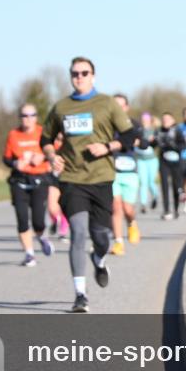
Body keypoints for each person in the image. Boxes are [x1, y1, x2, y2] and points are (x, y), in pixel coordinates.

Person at [40, 57, 137, 313]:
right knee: (78, 233)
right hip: (72, 179)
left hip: (102, 178)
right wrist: (52, 156)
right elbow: (46, 138)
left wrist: (107, 146)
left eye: (84, 73)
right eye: (75, 73)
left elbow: (129, 136)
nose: (79, 77)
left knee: (101, 237)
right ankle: (80, 294)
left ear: (93, 76)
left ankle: (99, 258)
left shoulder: (106, 104)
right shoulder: (61, 107)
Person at [2, 103, 54, 267]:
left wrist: (43, 158)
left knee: (38, 220)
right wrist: (15, 163)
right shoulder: (13, 134)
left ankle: (41, 236)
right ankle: (29, 254)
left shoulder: (43, 133)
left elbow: (55, 152)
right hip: (19, 180)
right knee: (22, 218)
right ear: (20, 118)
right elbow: (6, 158)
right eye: (24, 115)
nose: (28, 119)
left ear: (36, 117)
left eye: (31, 115)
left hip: (39, 178)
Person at [109, 94, 143, 255]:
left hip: (130, 172)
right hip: (112, 172)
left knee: (127, 209)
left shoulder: (133, 124)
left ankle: (132, 223)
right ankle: (118, 242)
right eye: (115, 105)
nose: (119, 108)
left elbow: (144, 143)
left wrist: (132, 141)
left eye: (122, 105)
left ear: (127, 107)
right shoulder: (106, 125)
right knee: (116, 207)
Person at [156, 112, 186, 220]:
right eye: (163, 119)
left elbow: (183, 145)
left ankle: (176, 209)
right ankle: (166, 210)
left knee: (175, 186)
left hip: (176, 162)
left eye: (168, 119)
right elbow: (153, 144)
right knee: (164, 185)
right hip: (164, 162)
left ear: (173, 121)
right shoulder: (159, 131)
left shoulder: (177, 131)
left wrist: (173, 145)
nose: (165, 121)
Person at [46, 132, 70, 242]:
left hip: (69, 178)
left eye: (61, 139)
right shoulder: (50, 147)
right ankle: (56, 221)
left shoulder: (70, 146)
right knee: (51, 207)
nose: (58, 142)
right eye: (57, 139)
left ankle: (63, 232)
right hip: (54, 178)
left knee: (64, 206)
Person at [135, 112, 160, 213]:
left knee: (150, 182)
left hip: (152, 160)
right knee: (143, 182)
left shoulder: (154, 131)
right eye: (143, 119)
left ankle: (155, 196)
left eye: (146, 119)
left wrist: (154, 141)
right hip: (141, 160)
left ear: (150, 120)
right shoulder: (138, 130)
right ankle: (143, 204)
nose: (144, 121)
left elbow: (157, 143)